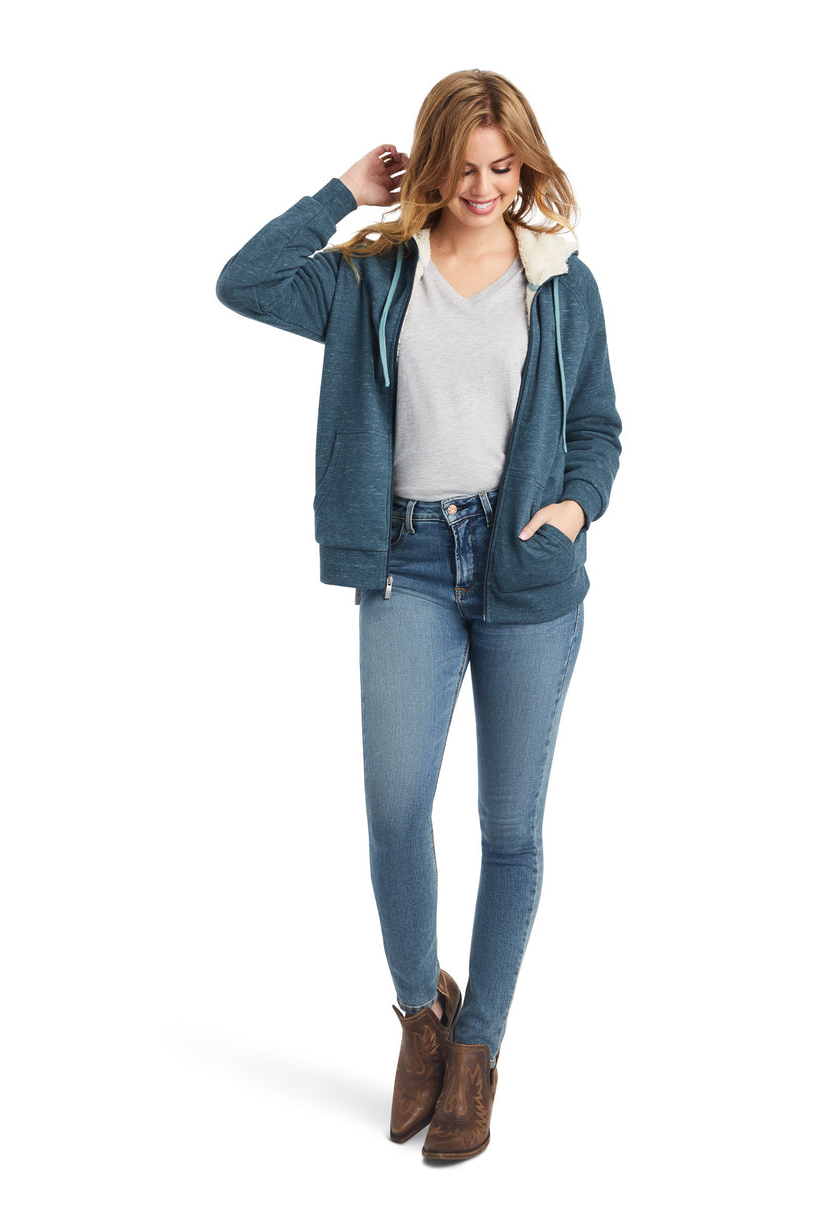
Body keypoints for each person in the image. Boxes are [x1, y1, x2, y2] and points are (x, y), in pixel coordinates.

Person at [216, 68, 621, 1162]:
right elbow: (243, 282)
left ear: (524, 166)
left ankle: (478, 1046)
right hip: (406, 562)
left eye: (503, 167)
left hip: (525, 570)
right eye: (463, 167)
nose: (484, 187)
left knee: (511, 830)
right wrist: (342, 195)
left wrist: (575, 509)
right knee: (397, 810)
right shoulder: (373, 276)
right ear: (431, 165)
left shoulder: (561, 281)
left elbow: (598, 426)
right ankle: (420, 1017)